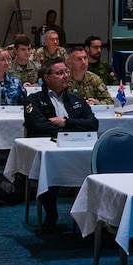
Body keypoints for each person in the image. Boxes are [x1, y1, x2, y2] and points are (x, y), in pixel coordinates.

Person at [25, 59, 99, 229]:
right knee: (49, 165)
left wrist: (66, 123)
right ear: (47, 78)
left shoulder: (76, 100)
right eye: (59, 73)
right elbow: (38, 127)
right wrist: (72, 128)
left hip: (78, 147)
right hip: (49, 147)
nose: (65, 76)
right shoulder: (34, 100)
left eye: (66, 72)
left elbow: (93, 124)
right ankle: (51, 212)